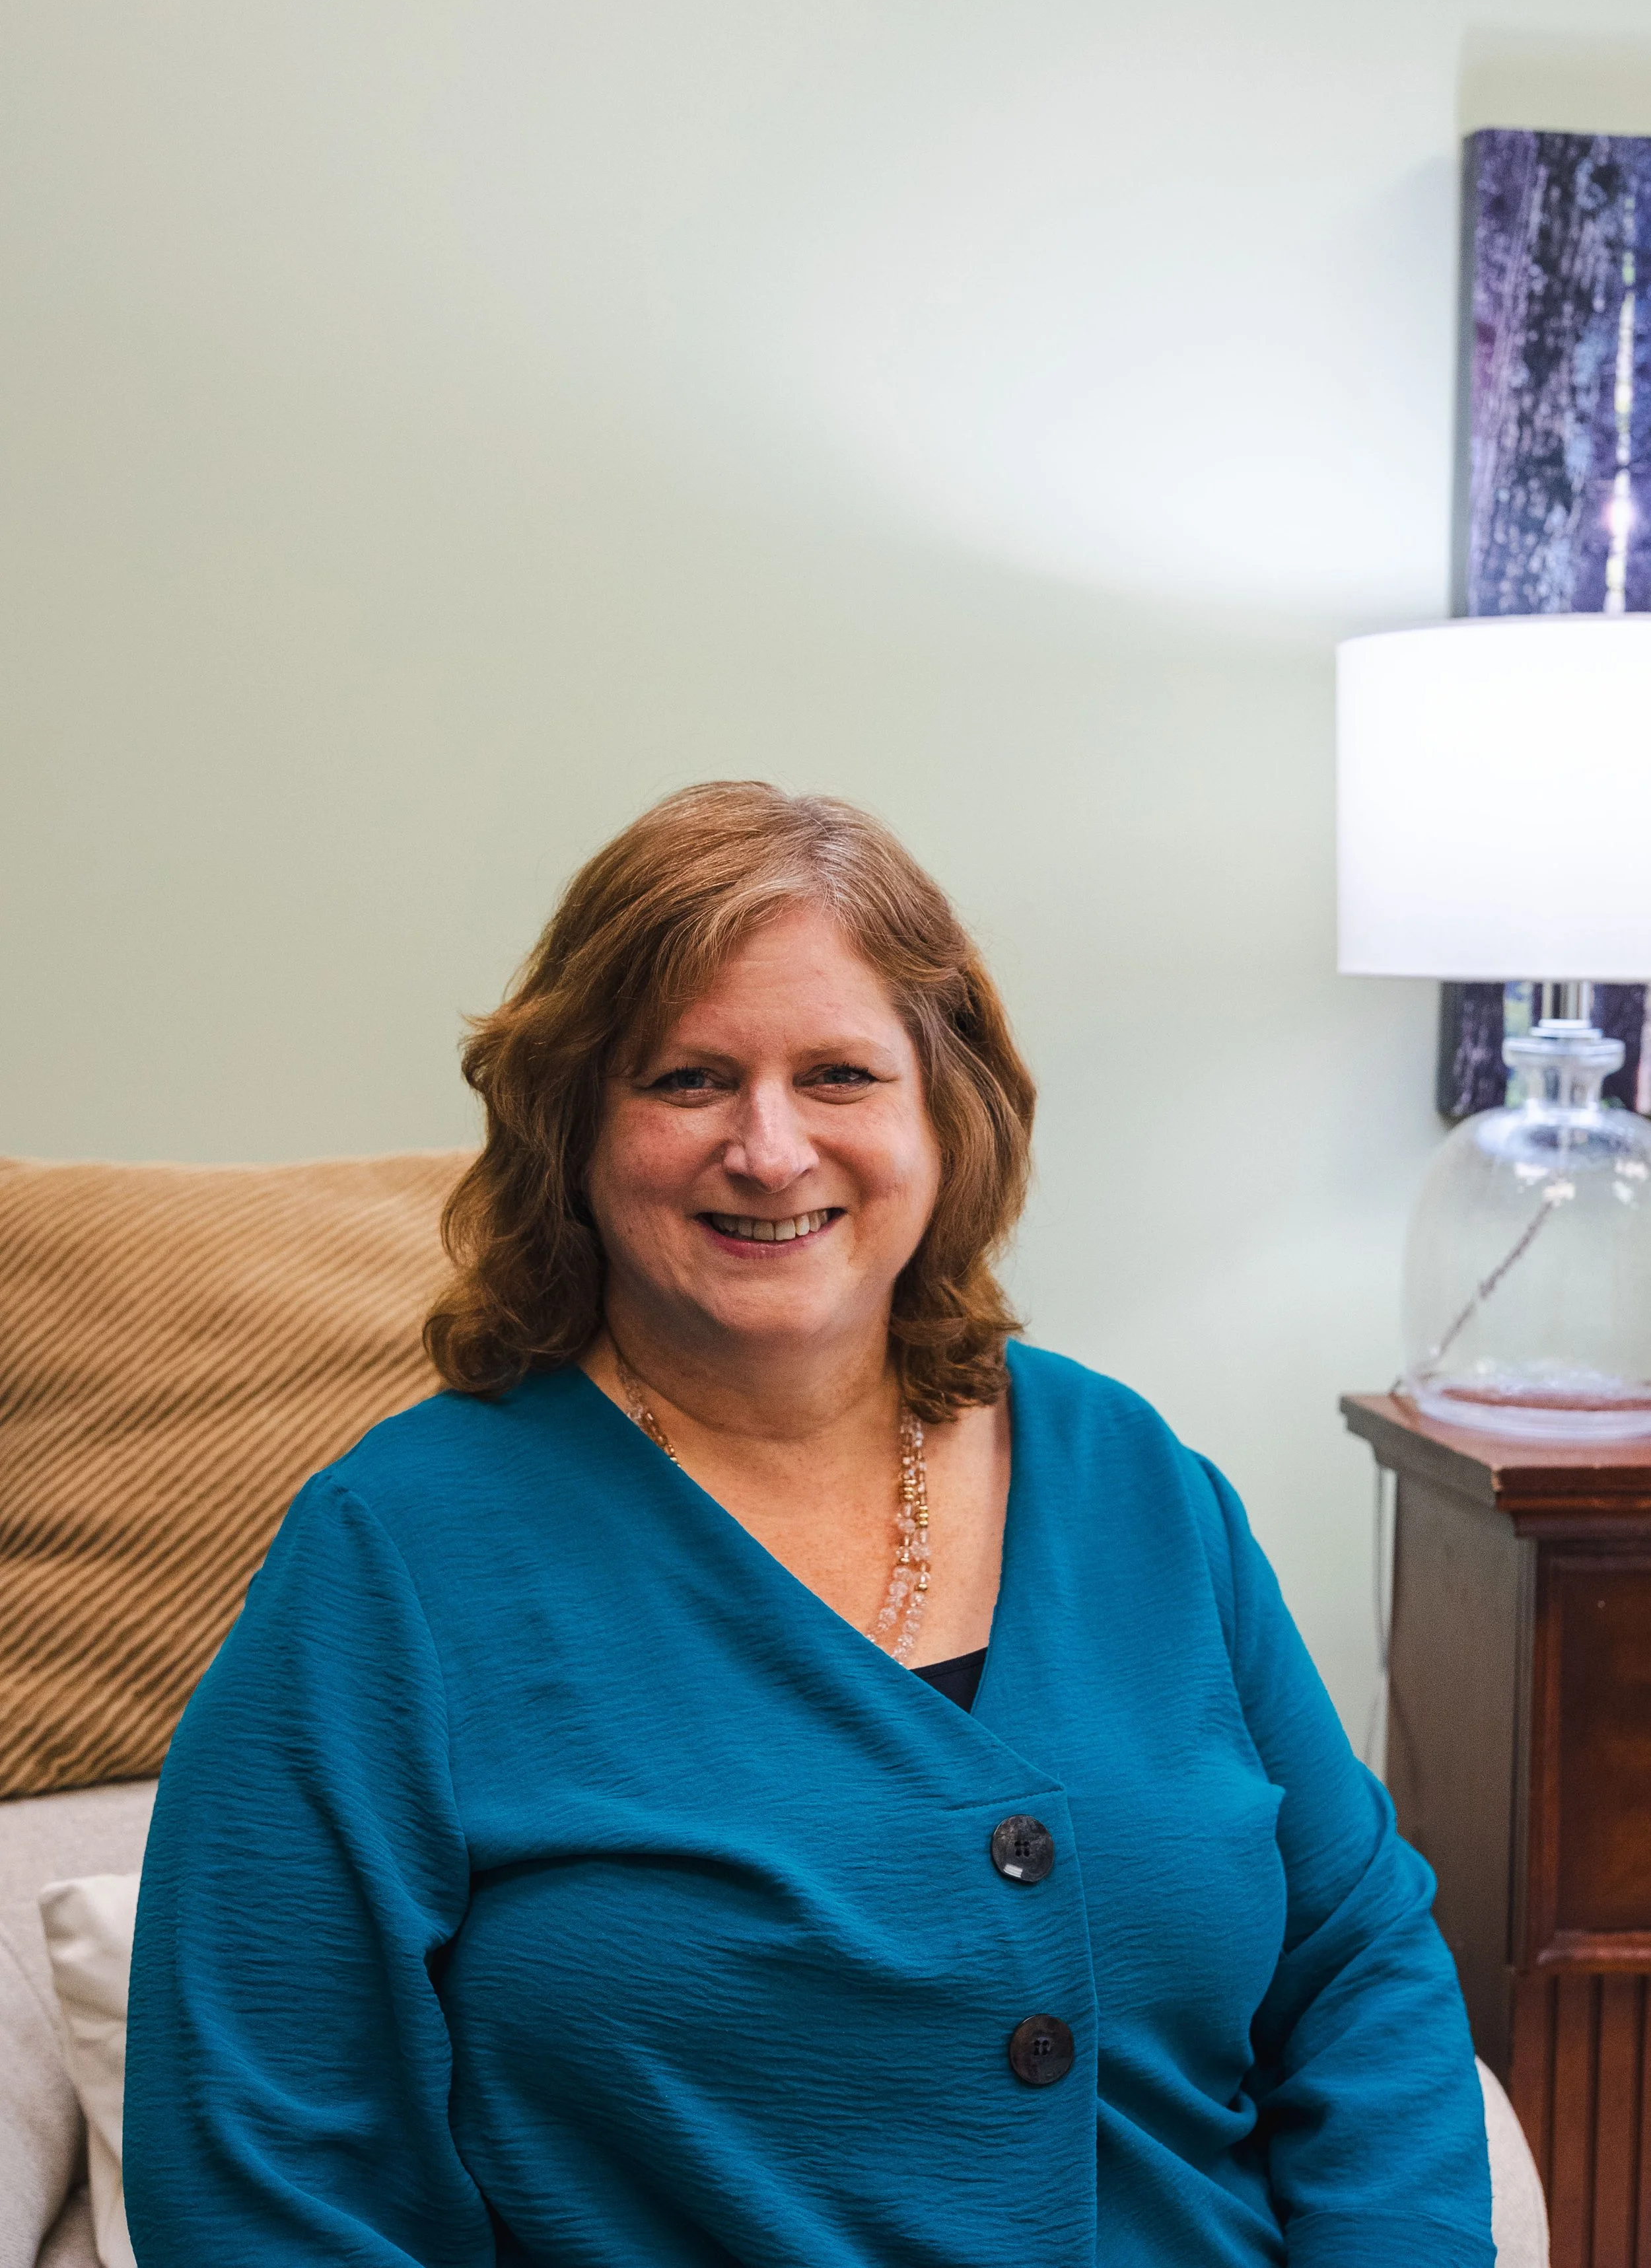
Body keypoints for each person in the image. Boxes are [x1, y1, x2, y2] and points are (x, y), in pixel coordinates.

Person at [125, 781, 1494, 2267]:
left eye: (838, 1074)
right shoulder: (392, 1556)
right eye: (688, 1079)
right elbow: (255, 2162)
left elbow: (1357, 1959)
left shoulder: (1129, 1472)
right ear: (573, 1127)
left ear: (942, 1114)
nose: (770, 1149)